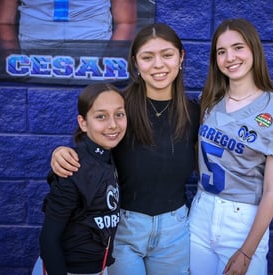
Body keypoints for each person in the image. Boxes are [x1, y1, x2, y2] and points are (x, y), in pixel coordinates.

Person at [50, 23, 200, 275]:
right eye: (147, 57)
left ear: (181, 57)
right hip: (124, 228)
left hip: (175, 229)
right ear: (136, 63)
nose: (158, 65)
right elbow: (89, 150)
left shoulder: (193, 112)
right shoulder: (120, 108)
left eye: (167, 54)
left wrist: (259, 179)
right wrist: (60, 153)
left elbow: (212, 158)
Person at [188, 18, 273, 275]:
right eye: (221, 51)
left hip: (244, 220)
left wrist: (246, 251)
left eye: (238, 47)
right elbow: (198, 157)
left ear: (253, 50)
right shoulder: (209, 102)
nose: (230, 57)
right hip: (201, 210)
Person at [38, 83, 127, 274]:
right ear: (83, 122)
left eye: (119, 114)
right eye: (101, 116)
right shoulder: (72, 168)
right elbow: (49, 239)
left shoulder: (112, 155)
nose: (113, 124)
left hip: (101, 268)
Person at [0, 0, 137, 53]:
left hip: (93, 54)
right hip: (34, 56)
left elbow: (126, 23)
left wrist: (107, 63)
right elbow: (3, 22)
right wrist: (13, 63)